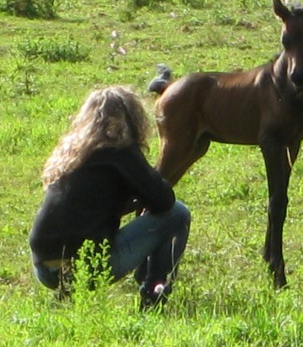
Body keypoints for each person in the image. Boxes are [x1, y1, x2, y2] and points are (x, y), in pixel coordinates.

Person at [29, 85, 191, 308]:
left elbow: (86, 206)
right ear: (132, 118)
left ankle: (67, 292)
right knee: (178, 214)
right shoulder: (119, 149)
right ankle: (153, 295)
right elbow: (164, 201)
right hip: (88, 269)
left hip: (44, 270)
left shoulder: (73, 153)